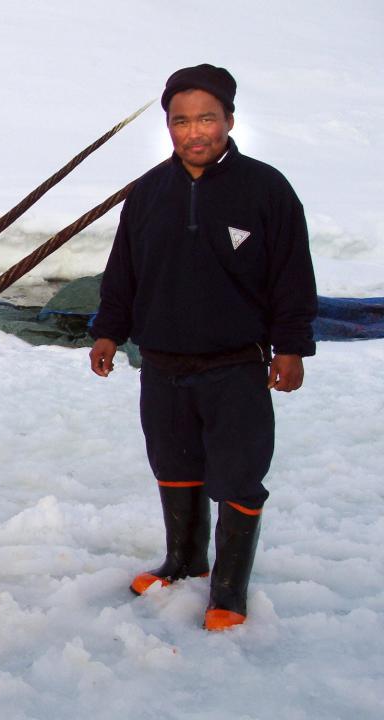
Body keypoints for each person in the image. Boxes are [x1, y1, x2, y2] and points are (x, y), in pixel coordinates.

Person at [88, 64, 317, 631]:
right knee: (173, 464)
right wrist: (108, 329)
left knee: (239, 475)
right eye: (181, 120)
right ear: (168, 127)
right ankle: (184, 560)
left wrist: (291, 347)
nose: (196, 131)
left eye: (207, 118)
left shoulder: (266, 189)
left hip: (234, 365)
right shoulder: (147, 193)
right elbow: (124, 272)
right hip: (161, 365)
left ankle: (229, 588)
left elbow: (292, 276)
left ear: (230, 120)